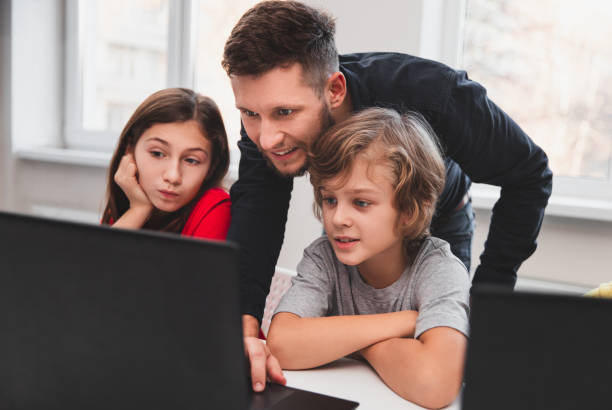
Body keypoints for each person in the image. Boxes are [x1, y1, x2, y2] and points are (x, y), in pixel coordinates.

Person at [222, 0, 552, 390]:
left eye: (285, 113)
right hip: (357, 255)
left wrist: (486, 302)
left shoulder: (432, 93)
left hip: (440, 221)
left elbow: (530, 174)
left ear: (334, 90)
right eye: (249, 114)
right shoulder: (266, 122)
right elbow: (258, 210)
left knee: (438, 371)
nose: (266, 137)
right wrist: (243, 324)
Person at [267, 107, 470, 408]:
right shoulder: (324, 257)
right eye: (330, 199)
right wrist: (405, 322)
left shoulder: (439, 269)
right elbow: (281, 344)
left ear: (408, 211)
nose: (337, 218)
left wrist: (351, 342)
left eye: (361, 202)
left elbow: (434, 383)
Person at [101, 88, 231, 240]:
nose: (173, 176)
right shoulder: (128, 200)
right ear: (130, 150)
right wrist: (138, 210)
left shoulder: (216, 208)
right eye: (157, 154)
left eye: (191, 160)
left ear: (211, 167)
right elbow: (91, 264)